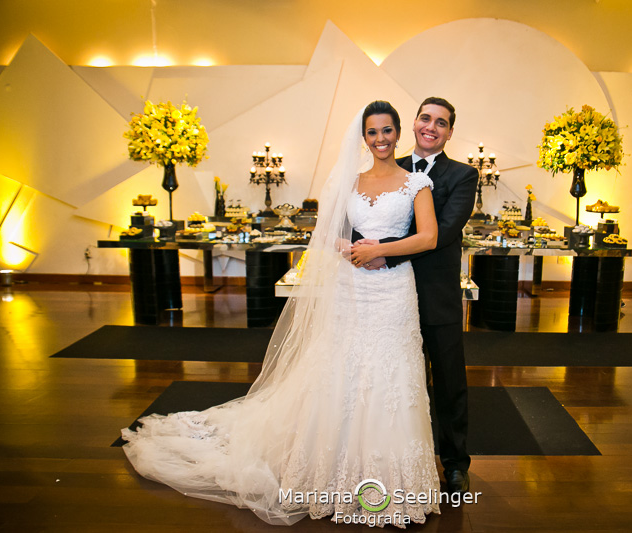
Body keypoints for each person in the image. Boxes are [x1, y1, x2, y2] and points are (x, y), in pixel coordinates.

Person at [121, 101, 442, 528]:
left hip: (392, 291)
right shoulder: (349, 181)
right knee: (341, 367)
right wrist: (348, 248)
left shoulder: (416, 182)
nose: (380, 139)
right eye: (372, 132)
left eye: (387, 130)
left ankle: (392, 479)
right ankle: (329, 470)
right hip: (350, 285)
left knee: (392, 372)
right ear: (363, 137)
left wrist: (380, 249)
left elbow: (428, 237)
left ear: (398, 133)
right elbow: (326, 232)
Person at [352, 97, 479, 494]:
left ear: (450, 133)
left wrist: (382, 252)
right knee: (398, 381)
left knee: (448, 381)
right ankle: (402, 459)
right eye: (426, 118)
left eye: (441, 123)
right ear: (413, 123)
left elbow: (441, 232)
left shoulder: (463, 175)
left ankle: (455, 463)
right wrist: (359, 247)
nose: (431, 127)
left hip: (436, 293)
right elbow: (367, 218)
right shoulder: (390, 163)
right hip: (388, 295)